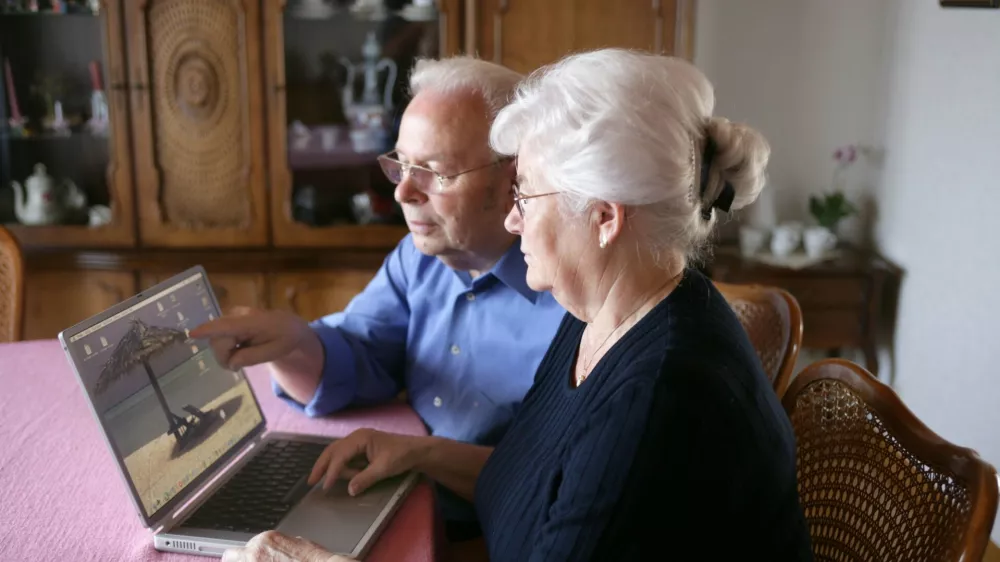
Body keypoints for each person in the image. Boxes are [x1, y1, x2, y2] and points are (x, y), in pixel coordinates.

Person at [223, 49, 815, 562]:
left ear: (604, 217)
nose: (513, 217)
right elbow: (530, 482)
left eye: (526, 193)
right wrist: (420, 452)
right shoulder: (602, 318)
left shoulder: (659, 398)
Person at [192, 56, 567, 547]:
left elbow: (554, 482)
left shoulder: (570, 299)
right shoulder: (421, 259)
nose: (404, 193)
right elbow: (359, 356)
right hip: (404, 501)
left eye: (435, 173)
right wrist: (292, 343)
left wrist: (423, 454)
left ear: (513, 180)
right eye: (401, 166)